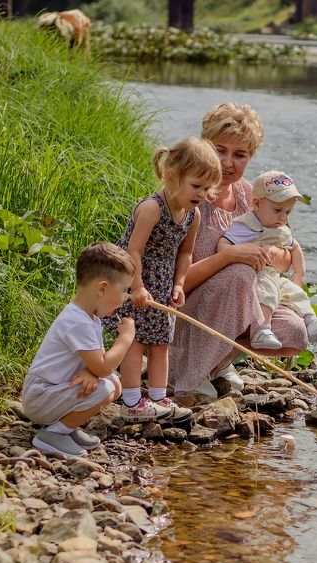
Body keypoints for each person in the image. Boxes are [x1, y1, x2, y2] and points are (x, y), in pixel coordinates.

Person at [168, 104, 309, 398]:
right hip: (184, 311)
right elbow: (171, 286)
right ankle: (185, 372)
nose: (227, 163)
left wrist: (276, 256)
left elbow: (283, 256)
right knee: (239, 275)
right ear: (204, 146)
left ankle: (217, 362)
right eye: (220, 150)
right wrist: (228, 256)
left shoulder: (251, 195)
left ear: (251, 156)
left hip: (242, 301)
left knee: (293, 330)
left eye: (240, 155)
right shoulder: (190, 197)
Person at [106, 136, 220, 421]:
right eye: (196, 186)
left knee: (160, 343)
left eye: (207, 188)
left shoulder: (193, 215)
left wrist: (179, 284)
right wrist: (137, 287)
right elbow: (133, 249)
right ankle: (132, 402)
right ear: (172, 177)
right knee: (135, 340)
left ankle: (158, 398)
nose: (201, 194)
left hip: (163, 285)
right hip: (134, 279)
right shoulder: (152, 208)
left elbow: (186, 253)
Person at [21, 242, 135, 458]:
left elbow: (99, 363)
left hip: (54, 392)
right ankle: (53, 434)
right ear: (102, 288)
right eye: (124, 290)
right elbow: (104, 367)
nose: (125, 298)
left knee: (114, 383)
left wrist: (93, 371)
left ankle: (66, 426)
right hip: (41, 396)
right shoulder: (77, 321)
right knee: (105, 388)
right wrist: (126, 337)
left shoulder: (90, 318)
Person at [216, 170, 317, 349]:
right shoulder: (246, 225)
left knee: (294, 292)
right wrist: (236, 252)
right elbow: (223, 244)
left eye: (288, 212)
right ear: (257, 204)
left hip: (274, 275)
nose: (283, 218)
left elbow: (294, 247)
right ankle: (261, 329)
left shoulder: (281, 229)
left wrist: (299, 272)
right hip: (255, 275)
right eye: (278, 210)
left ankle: (310, 320)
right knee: (267, 292)